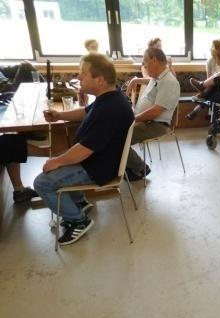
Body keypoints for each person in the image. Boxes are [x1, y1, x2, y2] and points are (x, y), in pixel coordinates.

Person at [33, 53, 134, 246]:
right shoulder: (108, 98)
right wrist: (60, 115)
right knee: (58, 162)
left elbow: (85, 150)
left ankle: (78, 220)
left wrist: (57, 161)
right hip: (95, 160)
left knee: (42, 183)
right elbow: (86, 112)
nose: (78, 77)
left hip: (98, 168)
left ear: (101, 80)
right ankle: (79, 202)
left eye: (83, 73)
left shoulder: (110, 109)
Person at [125, 47, 180, 181]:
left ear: (154, 60)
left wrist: (133, 119)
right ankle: (126, 165)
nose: (143, 65)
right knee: (114, 131)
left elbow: (156, 111)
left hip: (155, 125)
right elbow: (150, 82)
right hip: (146, 121)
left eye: (145, 61)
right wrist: (135, 80)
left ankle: (140, 168)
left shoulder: (169, 82)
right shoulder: (157, 78)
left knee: (118, 137)